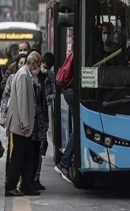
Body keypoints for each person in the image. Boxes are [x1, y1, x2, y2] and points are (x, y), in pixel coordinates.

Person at [5, 51, 42, 197]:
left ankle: (26, 185)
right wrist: (25, 124)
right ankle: (11, 186)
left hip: (24, 125)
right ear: (32, 63)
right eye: (37, 65)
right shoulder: (22, 75)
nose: (37, 68)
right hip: (21, 125)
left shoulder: (26, 74)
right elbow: (22, 101)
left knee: (27, 156)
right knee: (18, 157)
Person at [0, 53, 27, 178]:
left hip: (26, 121)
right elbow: (5, 97)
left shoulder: (30, 77)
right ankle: (9, 176)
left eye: (24, 63)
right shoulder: (12, 78)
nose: (22, 66)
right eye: (20, 63)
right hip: (13, 118)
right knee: (12, 148)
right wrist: (3, 116)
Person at [33, 52, 56, 190]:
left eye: (47, 66)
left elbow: (54, 93)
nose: (44, 68)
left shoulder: (50, 76)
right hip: (33, 117)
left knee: (41, 148)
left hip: (43, 116)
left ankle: (36, 178)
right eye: (43, 65)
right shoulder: (32, 75)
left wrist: (47, 98)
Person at [54, 54, 74, 183]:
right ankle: (64, 163)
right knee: (79, 129)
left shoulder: (73, 53)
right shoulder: (82, 52)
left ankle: (64, 163)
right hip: (72, 91)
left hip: (69, 90)